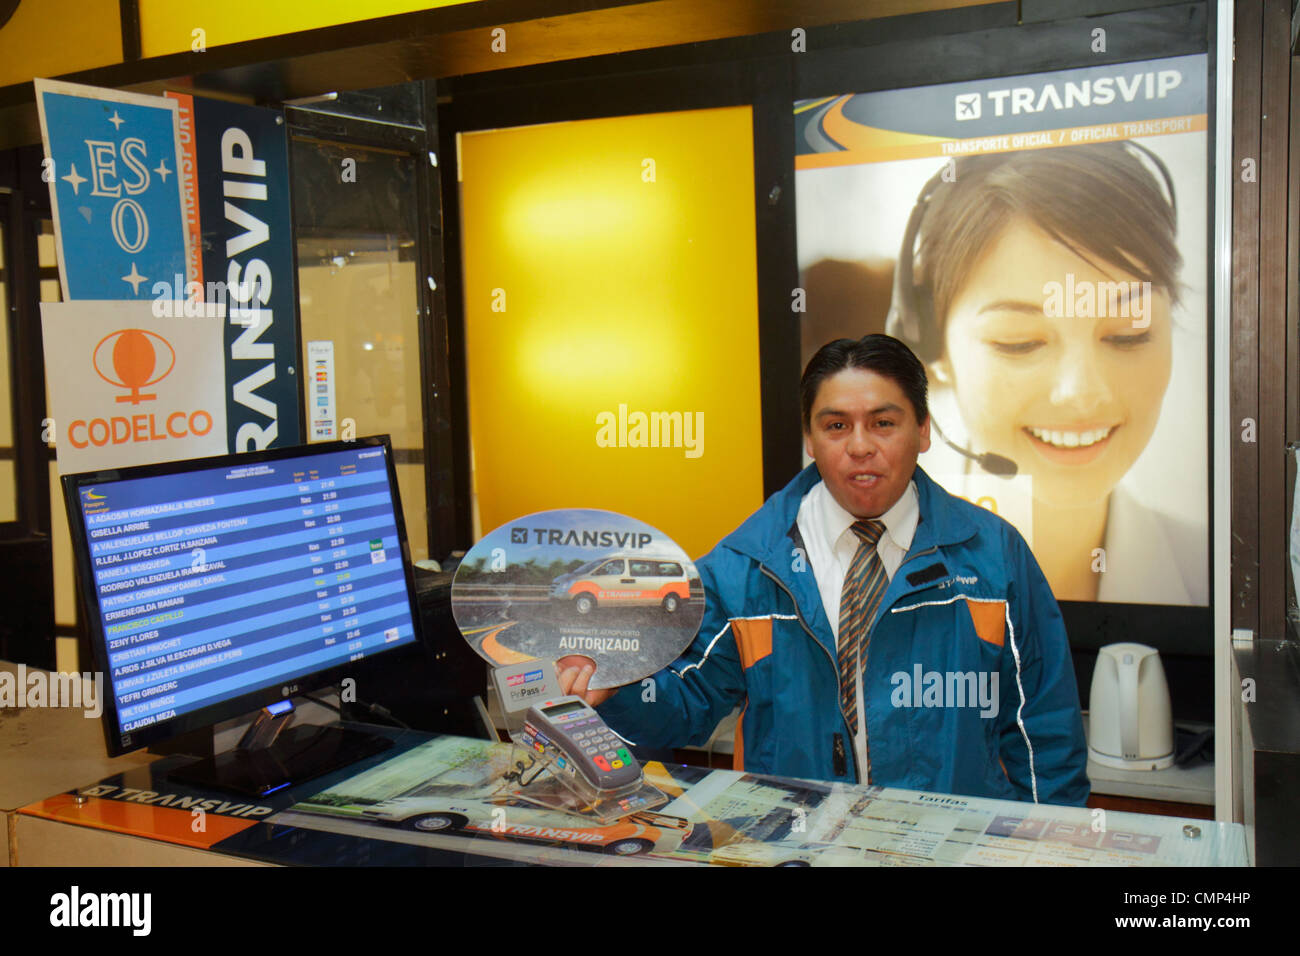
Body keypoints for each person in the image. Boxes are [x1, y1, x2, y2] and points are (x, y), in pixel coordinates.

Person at [559, 334, 1089, 806]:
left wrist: (1053, 848)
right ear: (810, 440)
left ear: (923, 430)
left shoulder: (993, 555)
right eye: (836, 426)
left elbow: (1042, 730)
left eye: (884, 423)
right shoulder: (747, 566)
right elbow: (688, 703)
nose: (860, 446)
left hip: (951, 850)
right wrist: (620, 689)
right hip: (797, 846)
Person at [888, 142, 1206, 605]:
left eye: (1126, 335)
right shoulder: (854, 582)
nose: (1081, 394)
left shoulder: (1215, 576)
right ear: (933, 348)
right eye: (1020, 342)